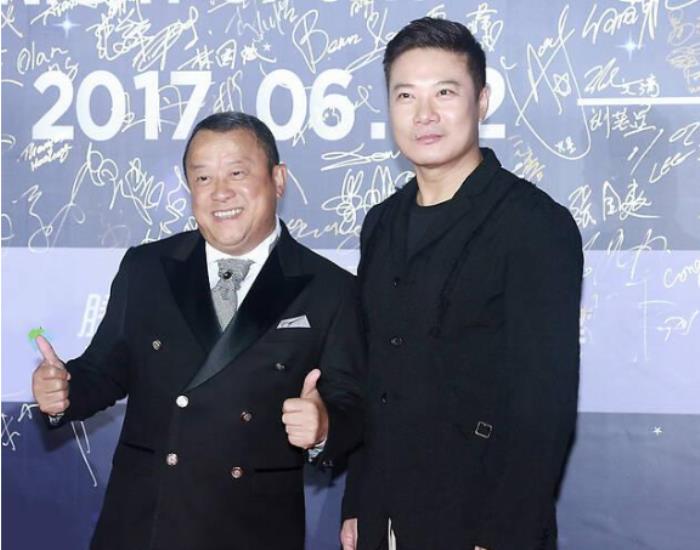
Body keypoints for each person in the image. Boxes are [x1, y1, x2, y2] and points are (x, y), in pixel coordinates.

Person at [32, 111, 365, 550]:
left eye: (237, 173)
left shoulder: (331, 288)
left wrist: (323, 428)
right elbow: (104, 372)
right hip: (146, 525)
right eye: (203, 177)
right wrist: (63, 391)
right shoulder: (147, 268)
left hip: (253, 530)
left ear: (278, 179)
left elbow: (353, 405)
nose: (220, 191)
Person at [340, 17, 583, 550]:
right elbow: (376, 376)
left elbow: (543, 407)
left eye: (444, 93)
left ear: (483, 101)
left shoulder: (533, 224)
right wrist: (357, 501)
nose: (424, 114)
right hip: (384, 517)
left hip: (478, 522)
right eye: (406, 95)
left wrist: (499, 536)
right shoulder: (381, 222)